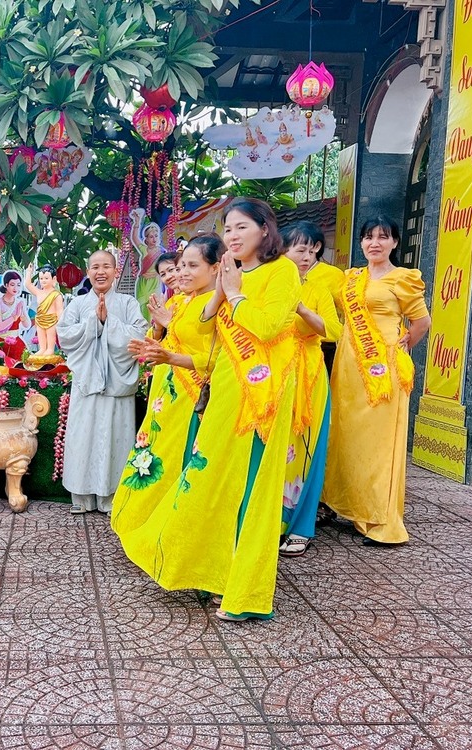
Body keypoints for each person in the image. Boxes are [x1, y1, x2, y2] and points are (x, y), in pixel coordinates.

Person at [117, 198, 301, 622]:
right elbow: (205, 333)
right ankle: (212, 572)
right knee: (211, 479)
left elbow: (269, 326)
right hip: (223, 390)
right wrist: (219, 292)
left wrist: (234, 296)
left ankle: (246, 591)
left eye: (241, 228)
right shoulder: (232, 274)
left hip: (262, 395)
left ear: (264, 230)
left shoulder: (282, 271)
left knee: (249, 487)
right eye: (228, 229)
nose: (234, 236)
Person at [323, 216, 431, 545]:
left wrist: (403, 344)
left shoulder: (403, 279)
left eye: (383, 237)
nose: (375, 243)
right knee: (349, 436)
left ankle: (383, 521)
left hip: (383, 368)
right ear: (360, 242)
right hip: (349, 366)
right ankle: (355, 509)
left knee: (382, 443)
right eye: (369, 237)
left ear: (395, 243)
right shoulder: (350, 278)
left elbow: (422, 321)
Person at [113, 236, 224, 538]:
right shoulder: (182, 300)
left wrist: (169, 351)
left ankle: (172, 529)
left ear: (216, 268)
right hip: (168, 391)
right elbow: (165, 340)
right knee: (155, 454)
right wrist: (156, 336)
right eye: (179, 266)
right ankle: (147, 520)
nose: (181, 273)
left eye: (190, 265)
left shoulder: (219, 306)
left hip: (194, 395)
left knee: (181, 459)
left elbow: (219, 358)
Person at [57, 250, 148, 514]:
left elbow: (139, 335)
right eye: (95, 267)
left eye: (106, 266)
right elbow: (64, 335)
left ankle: (112, 496)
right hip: (86, 384)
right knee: (83, 436)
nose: (101, 272)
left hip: (116, 384)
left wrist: (110, 322)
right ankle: (82, 496)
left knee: (115, 436)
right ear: (88, 272)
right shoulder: (77, 304)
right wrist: (93, 323)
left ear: (115, 271)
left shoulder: (128, 303)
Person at [278, 224, 342, 556]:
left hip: (310, 373)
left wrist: (302, 309)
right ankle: (271, 521)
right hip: (274, 374)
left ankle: (301, 525)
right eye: (297, 249)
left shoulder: (315, 290)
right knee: (275, 446)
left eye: (309, 250)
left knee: (306, 446)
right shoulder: (268, 285)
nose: (305, 256)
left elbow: (333, 330)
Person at [289, 221, 346, 374]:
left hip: (318, 349)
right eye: (300, 250)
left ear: (317, 246)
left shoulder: (332, 275)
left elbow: (346, 313)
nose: (306, 257)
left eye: (310, 249)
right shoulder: (274, 278)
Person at [0, 270, 29, 361]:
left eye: (18, 285)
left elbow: (26, 325)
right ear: (6, 285)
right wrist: (15, 316)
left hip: (17, 343)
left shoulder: (20, 302)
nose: (16, 288)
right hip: (1, 343)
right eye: (12, 284)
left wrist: (22, 317)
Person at [25, 263, 65, 356]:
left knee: (50, 343)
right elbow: (28, 284)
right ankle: (42, 349)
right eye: (41, 278)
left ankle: (49, 350)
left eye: (46, 278)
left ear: (53, 279)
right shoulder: (39, 292)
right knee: (42, 341)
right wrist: (29, 272)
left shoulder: (56, 295)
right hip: (40, 320)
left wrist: (61, 323)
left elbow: (59, 310)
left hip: (52, 321)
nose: (43, 281)